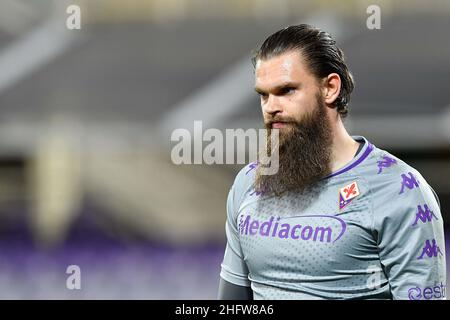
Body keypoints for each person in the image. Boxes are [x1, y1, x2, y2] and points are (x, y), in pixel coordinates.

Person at [218, 24, 446, 300]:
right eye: (264, 95)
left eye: (286, 90)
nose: (270, 107)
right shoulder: (249, 183)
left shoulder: (400, 190)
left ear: (330, 88)